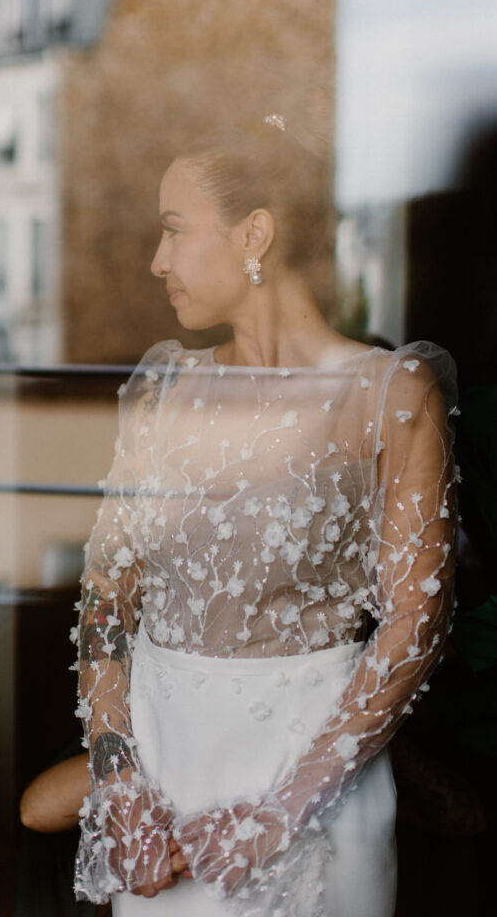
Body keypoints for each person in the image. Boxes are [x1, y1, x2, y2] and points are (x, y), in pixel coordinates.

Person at [72, 120, 458, 917]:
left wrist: (285, 808)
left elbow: (413, 623)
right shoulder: (162, 388)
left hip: (311, 770)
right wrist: (118, 781)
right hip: (161, 770)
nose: (157, 260)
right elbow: (106, 592)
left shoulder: (388, 393)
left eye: (174, 230)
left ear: (255, 233)